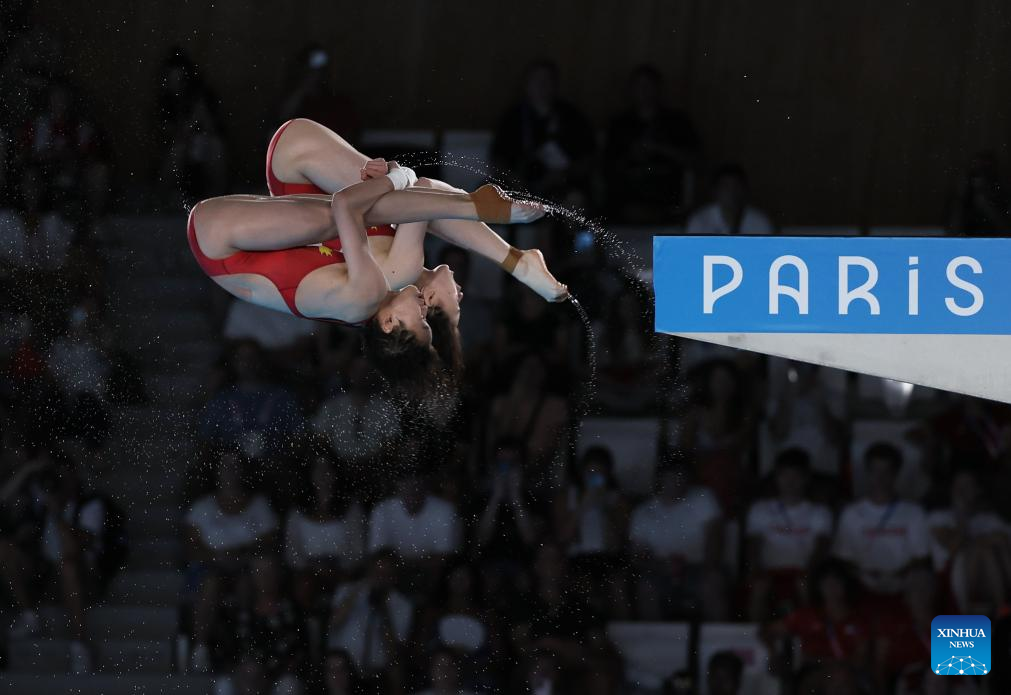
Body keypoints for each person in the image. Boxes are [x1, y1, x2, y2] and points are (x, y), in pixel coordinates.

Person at [184, 450, 279, 673]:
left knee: (249, 580)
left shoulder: (259, 505)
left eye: (235, 465)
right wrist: (217, 557)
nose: (230, 471)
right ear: (216, 471)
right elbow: (191, 548)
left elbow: (270, 541)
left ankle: (248, 642)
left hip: (246, 566)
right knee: (211, 583)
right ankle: (201, 648)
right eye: (225, 465)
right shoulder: (201, 507)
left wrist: (240, 552)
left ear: (243, 470)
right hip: (212, 566)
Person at [629, 454, 726, 620]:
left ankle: (721, 639)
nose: (678, 480)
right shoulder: (643, 512)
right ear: (661, 478)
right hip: (660, 570)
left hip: (699, 567)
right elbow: (637, 556)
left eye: (682, 475)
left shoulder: (703, 497)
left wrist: (709, 567)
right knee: (645, 587)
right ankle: (655, 641)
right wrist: (661, 566)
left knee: (712, 582)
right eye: (673, 475)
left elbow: (714, 536)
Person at [832, 442, 930, 603]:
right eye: (875, 471)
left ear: (896, 473)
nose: (880, 477)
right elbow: (843, 558)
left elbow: (921, 557)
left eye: (886, 471)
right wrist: (864, 573)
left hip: (904, 584)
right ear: (868, 472)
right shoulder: (851, 513)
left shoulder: (914, 512)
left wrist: (898, 574)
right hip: (861, 583)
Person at [604, 64, 700, 222]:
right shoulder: (619, 124)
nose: (644, 91)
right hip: (627, 202)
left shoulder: (677, 122)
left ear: (659, 89)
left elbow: (695, 160)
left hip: (667, 200)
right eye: (639, 86)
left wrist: (660, 149)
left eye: (649, 85)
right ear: (631, 89)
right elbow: (607, 166)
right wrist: (632, 155)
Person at [745, 448, 833, 620]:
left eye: (796, 476)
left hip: (804, 571)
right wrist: (756, 568)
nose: (790, 482)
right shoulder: (760, 509)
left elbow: (822, 546)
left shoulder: (820, 511)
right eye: (785, 476)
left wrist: (809, 570)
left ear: (806, 479)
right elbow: (753, 544)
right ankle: (754, 636)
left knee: (805, 584)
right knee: (759, 587)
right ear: (776, 478)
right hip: (769, 572)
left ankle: (812, 629)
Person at [284, 454, 366, 612]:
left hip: (343, 571)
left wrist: (335, 569)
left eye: (328, 469)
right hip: (308, 572)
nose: (323, 474)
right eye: (318, 469)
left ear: (336, 474)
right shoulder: (297, 511)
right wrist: (313, 568)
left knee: (349, 588)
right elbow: (292, 553)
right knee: (304, 586)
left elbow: (359, 551)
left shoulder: (352, 508)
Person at [927, 468, 1011, 614]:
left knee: (992, 551)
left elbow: (1003, 540)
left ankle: (1001, 610)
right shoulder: (939, 517)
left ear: (978, 490)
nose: (962, 491)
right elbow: (953, 547)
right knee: (982, 551)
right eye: (958, 486)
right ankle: (1002, 609)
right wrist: (962, 518)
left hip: (990, 578)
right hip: (949, 580)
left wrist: (976, 541)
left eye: (967, 486)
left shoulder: (989, 519)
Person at [328, 550, 414, 691]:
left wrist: (384, 610)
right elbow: (333, 622)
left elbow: (394, 653)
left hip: (377, 674)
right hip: (343, 672)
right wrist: (357, 591)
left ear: (394, 578)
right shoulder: (346, 591)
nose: (380, 578)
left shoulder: (403, 605)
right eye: (377, 573)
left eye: (386, 575)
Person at [686, 164, 774, 236]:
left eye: (736, 186)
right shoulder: (699, 220)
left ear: (744, 189)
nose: (731, 192)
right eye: (726, 186)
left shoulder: (760, 221)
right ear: (715, 190)